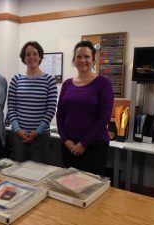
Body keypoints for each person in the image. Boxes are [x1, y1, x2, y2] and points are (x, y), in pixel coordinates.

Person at [56, 40, 114, 176]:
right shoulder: (67, 84)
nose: (83, 60)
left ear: (93, 59)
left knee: (89, 189)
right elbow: (60, 115)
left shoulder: (103, 83)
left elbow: (104, 118)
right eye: (79, 56)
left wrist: (83, 143)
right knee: (70, 185)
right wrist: (66, 140)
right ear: (74, 60)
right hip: (69, 146)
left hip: (94, 145)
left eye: (87, 56)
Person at [7, 41, 58, 163]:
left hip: (41, 137)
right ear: (24, 58)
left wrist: (37, 131)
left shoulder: (49, 80)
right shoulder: (16, 79)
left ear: (40, 56)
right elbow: (11, 107)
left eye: (35, 54)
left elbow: (51, 109)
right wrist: (18, 129)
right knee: (19, 172)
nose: (31, 57)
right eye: (28, 54)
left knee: (38, 173)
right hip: (19, 136)